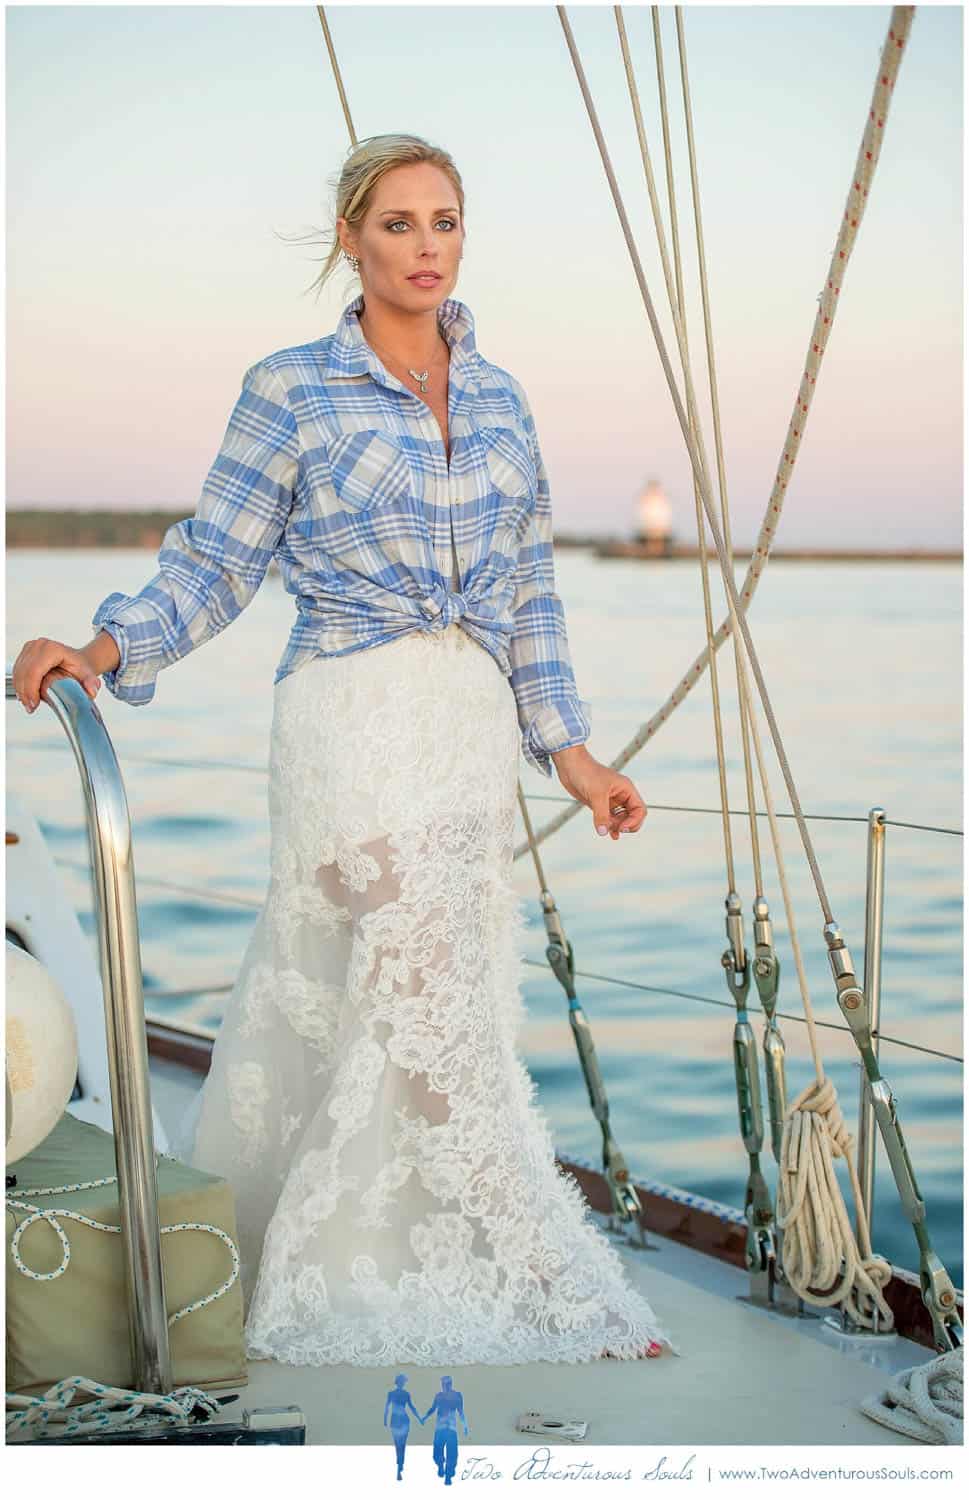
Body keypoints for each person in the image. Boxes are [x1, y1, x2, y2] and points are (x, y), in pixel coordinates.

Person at [11, 133, 676, 1366]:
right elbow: (217, 559)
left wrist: (575, 760)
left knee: (437, 996)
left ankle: (305, 1240)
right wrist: (106, 650)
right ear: (349, 241)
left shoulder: (500, 399)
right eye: (400, 225)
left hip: (466, 731)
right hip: (349, 722)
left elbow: (529, 591)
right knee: (420, 993)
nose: (428, 248)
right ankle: (537, 1261)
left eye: (447, 222)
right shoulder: (290, 389)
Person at [422, 1376, 468, 1485]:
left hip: (451, 1429)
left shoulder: (457, 1396)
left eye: (447, 1384)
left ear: (451, 1384)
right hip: (440, 1429)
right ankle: (441, 1466)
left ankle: (448, 1476)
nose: (445, 1386)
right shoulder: (439, 1396)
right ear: (441, 1385)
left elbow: (461, 1412)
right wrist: (424, 1417)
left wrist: (465, 1425)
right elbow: (433, 1409)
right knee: (437, 1453)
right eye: (443, 1384)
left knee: (452, 1454)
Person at [384, 1373, 424, 1480]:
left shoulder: (396, 1394)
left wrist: (385, 1420)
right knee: (400, 1446)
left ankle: (399, 1466)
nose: (403, 1383)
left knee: (400, 1445)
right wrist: (419, 1418)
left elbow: (388, 1408)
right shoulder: (401, 1394)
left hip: (399, 1421)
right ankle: (400, 1466)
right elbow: (387, 1408)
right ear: (400, 1382)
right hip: (400, 1421)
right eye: (402, 1381)